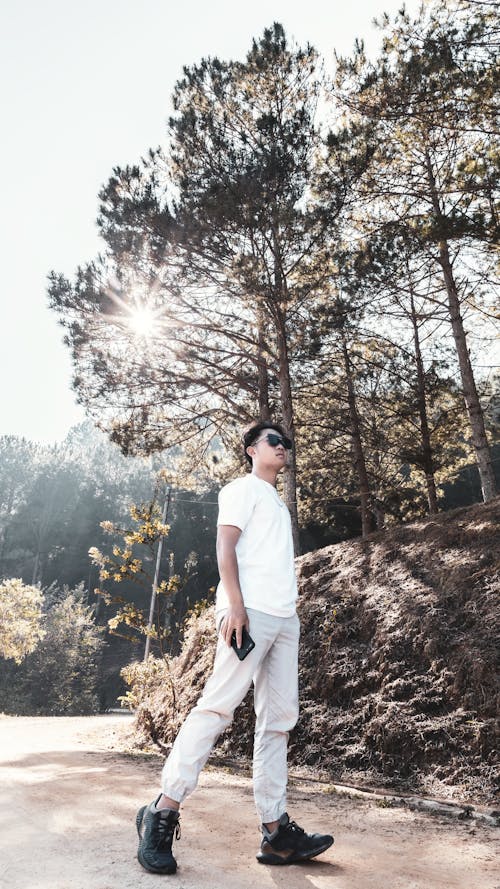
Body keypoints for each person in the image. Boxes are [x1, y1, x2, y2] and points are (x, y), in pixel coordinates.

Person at [136, 420, 334, 874]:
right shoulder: (240, 490)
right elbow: (225, 549)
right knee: (216, 708)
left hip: (285, 619)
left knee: (278, 722)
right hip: (249, 614)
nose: (283, 447)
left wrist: (287, 614)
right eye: (274, 441)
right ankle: (161, 812)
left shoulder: (277, 504)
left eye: (287, 442)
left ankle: (276, 832)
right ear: (250, 449)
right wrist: (235, 606)